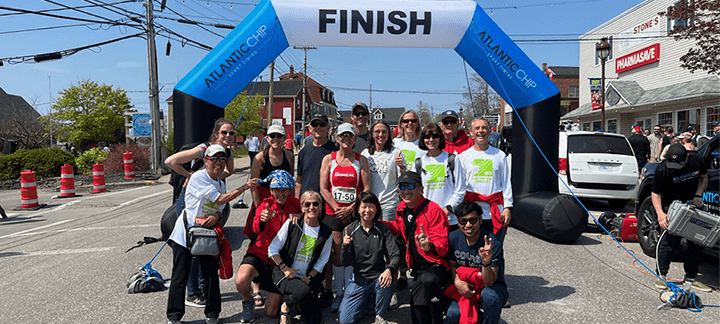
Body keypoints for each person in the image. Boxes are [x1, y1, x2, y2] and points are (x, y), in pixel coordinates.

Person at [166, 144, 257, 324]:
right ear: (205, 160)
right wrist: (244, 187)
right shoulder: (199, 177)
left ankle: (213, 314)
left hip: (205, 235)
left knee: (210, 275)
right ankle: (174, 317)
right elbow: (219, 199)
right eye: (213, 158)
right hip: (185, 234)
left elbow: (220, 208)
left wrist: (215, 216)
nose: (218, 162)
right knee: (180, 275)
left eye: (222, 159)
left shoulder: (220, 183)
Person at [164, 118, 236, 307]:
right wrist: (192, 176)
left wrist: (216, 175)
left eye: (231, 133)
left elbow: (230, 170)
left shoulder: (227, 152)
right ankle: (192, 292)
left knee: (205, 245)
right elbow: (170, 161)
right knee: (192, 245)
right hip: (193, 200)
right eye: (224, 133)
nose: (228, 136)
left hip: (211, 200)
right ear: (216, 134)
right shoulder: (204, 148)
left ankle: (202, 289)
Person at [382, 171, 449, 324]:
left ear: (421, 189)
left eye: (411, 186)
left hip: (435, 265)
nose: (406, 191)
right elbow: (400, 228)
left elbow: (443, 246)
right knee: (418, 317)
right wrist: (381, 224)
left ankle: (438, 317)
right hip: (418, 269)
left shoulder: (434, 210)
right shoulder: (402, 208)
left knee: (429, 280)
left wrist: (429, 245)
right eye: (402, 186)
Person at [235, 170, 300, 323]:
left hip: (278, 261)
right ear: (271, 191)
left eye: (284, 189)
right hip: (259, 254)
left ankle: (284, 294)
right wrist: (262, 220)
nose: (281, 193)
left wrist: (302, 216)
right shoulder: (265, 204)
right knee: (241, 279)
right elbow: (256, 228)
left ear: (290, 190)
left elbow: (313, 212)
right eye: (277, 189)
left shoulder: (296, 205)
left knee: (271, 313)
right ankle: (247, 301)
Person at [319, 122, 371, 311]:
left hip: (354, 213)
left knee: (353, 254)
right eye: (342, 136)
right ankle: (339, 294)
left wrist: (350, 208)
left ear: (354, 139)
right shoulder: (329, 159)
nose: (346, 139)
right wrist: (336, 208)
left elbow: (366, 189)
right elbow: (323, 188)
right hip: (333, 213)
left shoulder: (361, 160)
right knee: (338, 254)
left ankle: (351, 294)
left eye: (349, 136)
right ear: (337, 138)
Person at [245, 124, 294, 306]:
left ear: (283, 139)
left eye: (279, 136)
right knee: (258, 239)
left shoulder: (288, 155)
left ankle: (277, 273)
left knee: (282, 238)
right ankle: (256, 287)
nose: (275, 139)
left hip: (281, 200)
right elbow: (254, 184)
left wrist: (291, 203)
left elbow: (290, 181)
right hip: (264, 202)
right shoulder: (260, 157)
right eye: (272, 136)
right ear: (267, 138)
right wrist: (259, 209)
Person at [651, 144, 710, 292]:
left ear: (687, 157)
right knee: (669, 242)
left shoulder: (697, 160)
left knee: (696, 241)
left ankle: (691, 277)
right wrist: (660, 214)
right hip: (671, 205)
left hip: (692, 203)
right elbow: (655, 193)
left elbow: (703, 177)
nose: (675, 167)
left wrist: (698, 195)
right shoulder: (662, 169)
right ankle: (661, 275)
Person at [268, 190, 333, 324]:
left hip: (307, 278)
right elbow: (273, 248)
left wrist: (309, 277)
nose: (311, 207)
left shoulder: (326, 232)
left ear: (321, 206)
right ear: (302, 207)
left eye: (315, 204)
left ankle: (299, 302)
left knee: (313, 320)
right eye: (307, 204)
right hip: (285, 274)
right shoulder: (292, 223)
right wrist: (284, 268)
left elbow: (323, 259)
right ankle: (286, 306)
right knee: (301, 292)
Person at [338, 192, 401, 324]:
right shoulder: (350, 229)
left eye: (371, 206)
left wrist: (389, 270)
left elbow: (395, 254)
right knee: (345, 321)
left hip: (378, 276)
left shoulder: (383, 229)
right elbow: (345, 262)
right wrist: (344, 246)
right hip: (358, 280)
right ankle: (367, 301)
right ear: (358, 209)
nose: (367, 210)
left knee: (385, 282)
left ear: (376, 208)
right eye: (364, 207)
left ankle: (380, 316)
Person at [444, 202, 508, 324]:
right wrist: (457, 282)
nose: (468, 225)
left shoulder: (492, 243)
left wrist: (486, 263)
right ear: (458, 222)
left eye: (472, 220)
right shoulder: (453, 238)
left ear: (480, 220)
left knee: (490, 297)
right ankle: (480, 318)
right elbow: (452, 265)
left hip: (489, 287)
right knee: (453, 315)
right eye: (463, 221)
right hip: (464, 286)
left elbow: (489, 282)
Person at [458, 118, 512, 243]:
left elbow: (506, 183)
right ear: (471, 132)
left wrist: (507, 207)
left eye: (484, 128)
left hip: (494, 213)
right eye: (477, 128)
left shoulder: (499, 155)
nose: (480, 131)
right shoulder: (463, 157)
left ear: (489, 131)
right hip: (472, 214)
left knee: (495, 252)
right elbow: (459, 186)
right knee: (474, 252)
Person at [415, 123, 466, 231]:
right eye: (427, 137)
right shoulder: (419, 163)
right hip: (426, 218)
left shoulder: (452, 159)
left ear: (440, 138)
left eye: (435, 136)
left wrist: (448, 209)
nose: (431, 140)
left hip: (449, 220)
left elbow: (460, 190)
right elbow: (415, 192)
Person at [361, 120, 406, 221]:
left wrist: (402, 167)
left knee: (388, 234)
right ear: (372, 134)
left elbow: (402, 179)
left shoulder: (396, 152)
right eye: (377, 132)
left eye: (384, 132)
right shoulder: (365, 154)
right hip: (370, 203)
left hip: (389, 204)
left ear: (388, 134)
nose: (381, 135)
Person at [296, 114, 338, 197]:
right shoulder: (303, 152)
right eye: (315, 124)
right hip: (307, 202)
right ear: (310, 128)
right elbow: (299, 181)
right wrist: (297, 201)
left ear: (328, 128)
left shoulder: (335, 151)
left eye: (322, 124)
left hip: (327, 201)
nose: (318, 127)